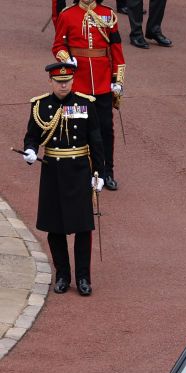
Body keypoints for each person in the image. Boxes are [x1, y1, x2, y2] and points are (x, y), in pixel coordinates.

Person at [22, 63, 106, 297]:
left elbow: (96, 141)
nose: (63, 85)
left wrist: (100, 173)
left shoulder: (85, 103)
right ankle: (62, 275)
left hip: (79, 171)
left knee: (82, 228)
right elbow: (32, 136)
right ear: (50, 82)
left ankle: (82, 278)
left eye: (67, 81)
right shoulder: (41, 105)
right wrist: (29, 151)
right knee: (55, 227)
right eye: (59, 82)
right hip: (53, 172)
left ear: (72, 81)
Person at [52, 0, 125, 191]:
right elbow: (58, 45)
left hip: (102, 82)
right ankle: (76, 171)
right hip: (78, 82)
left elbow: (116, 47)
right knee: (76, 127)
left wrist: (118, 79)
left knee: (105, 129)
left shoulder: (107, 14)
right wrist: (68, 60)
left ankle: (106, 172)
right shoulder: (67, 14)